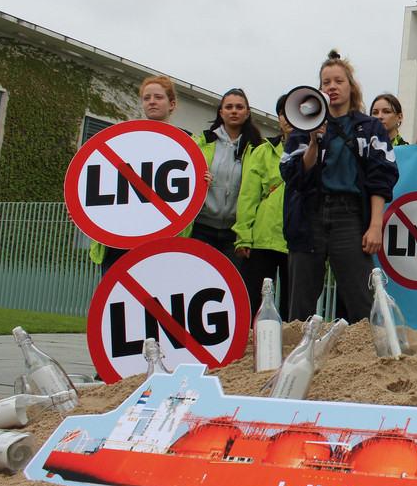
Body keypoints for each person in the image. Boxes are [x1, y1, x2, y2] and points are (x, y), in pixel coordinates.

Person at [280, 50, 399, 323]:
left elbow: (381, 177)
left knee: (362, 297)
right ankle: (299, 354)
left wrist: (375, 226)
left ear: (351, 86)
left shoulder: (370, 128)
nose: (332, 87)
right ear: (318, 89)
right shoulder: (303, 127)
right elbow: (293, 176)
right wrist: (312, 142)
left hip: (350, 216)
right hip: (308, 217)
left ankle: (367, 354)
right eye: (325, 82)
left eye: (338, 81)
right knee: (301, 300)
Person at [91, 75, 191, 275]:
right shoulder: (124, 139)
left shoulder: (188, 143)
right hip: (121, 235)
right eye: (146, 98)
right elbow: (106, 179)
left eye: (158, 97)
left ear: (172, 104)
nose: (151, 101)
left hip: (162, 237)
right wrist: (85, 207)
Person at [234, 93, 291, 318]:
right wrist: (243, 236)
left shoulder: (315, 151)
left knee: (292, 308)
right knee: (253, 304)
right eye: (282, 112)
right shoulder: (263, 150)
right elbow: (248, 196)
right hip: (260, 238)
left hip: (295, 241)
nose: (287, 118)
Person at [190, 88, 263, 265]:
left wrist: (245, 234)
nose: (234, 111)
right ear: (221, 113)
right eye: (229, 107)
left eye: (239, 107)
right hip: (202, 227)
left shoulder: (257, 149)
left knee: (229, 288)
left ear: (247, 113)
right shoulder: (203, 142)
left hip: (235, 233)